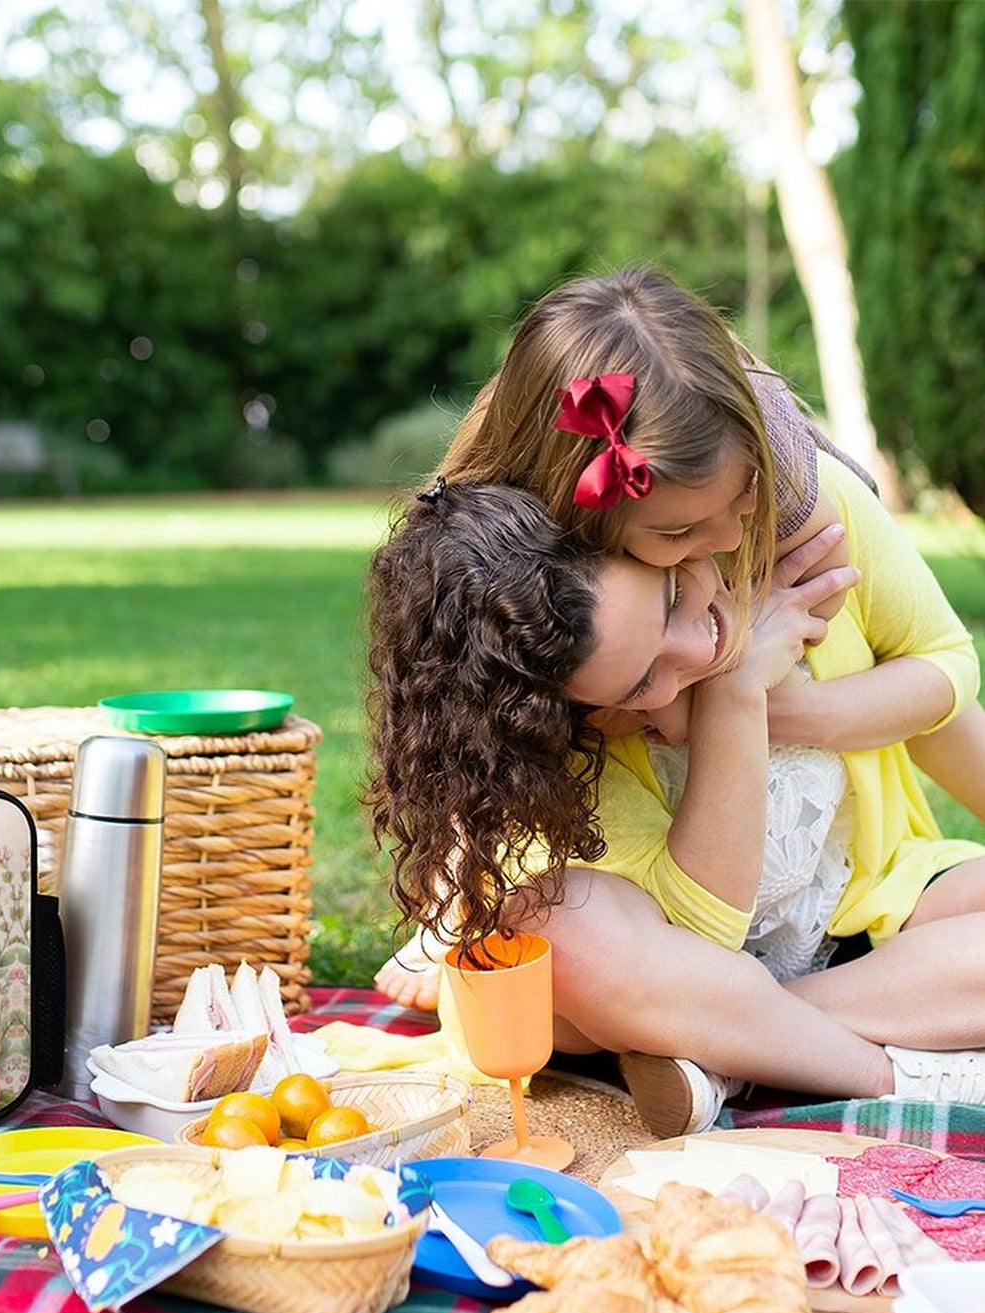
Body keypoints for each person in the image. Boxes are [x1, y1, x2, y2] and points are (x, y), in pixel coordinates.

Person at [373, 265, 985, 1014]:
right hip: (665, 928)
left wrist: (777, 706)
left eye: (743, 495)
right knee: (561, 964)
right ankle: (770, 1024)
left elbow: (946, 668)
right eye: (676, 534)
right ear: (581, 519)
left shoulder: (805, 515)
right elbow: (477, 757)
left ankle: (763, 1031)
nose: (727, 536)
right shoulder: (553, 623)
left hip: (863, 893)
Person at [342, 473, 985, 1136]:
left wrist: (782, 704)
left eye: (673, 594)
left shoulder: (796, 536)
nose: (695, 646)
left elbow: (942, 687)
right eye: (642, 678)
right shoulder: (569, 722)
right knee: (558, 928)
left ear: (652, 539)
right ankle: (889, 1072)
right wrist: (732, 695)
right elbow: (702, 941)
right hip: (668, 970)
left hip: (860, 918)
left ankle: (726, 1058)